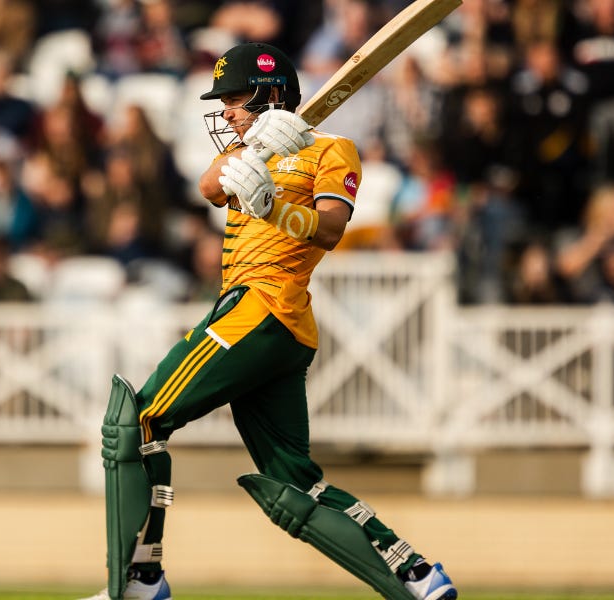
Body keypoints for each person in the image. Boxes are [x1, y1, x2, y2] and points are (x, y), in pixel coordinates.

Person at [82, 42, 456, 600]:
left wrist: (273, 205)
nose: (226, 111)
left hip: (261, 306)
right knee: (293, 485)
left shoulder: (332, 149)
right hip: (272, 325)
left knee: (135, 422)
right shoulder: (244, 148)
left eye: (235, 98)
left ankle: (138, 582)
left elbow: (331, 230)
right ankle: (416, 575)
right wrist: (253, 149)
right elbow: (209, 186)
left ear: (271, 91)